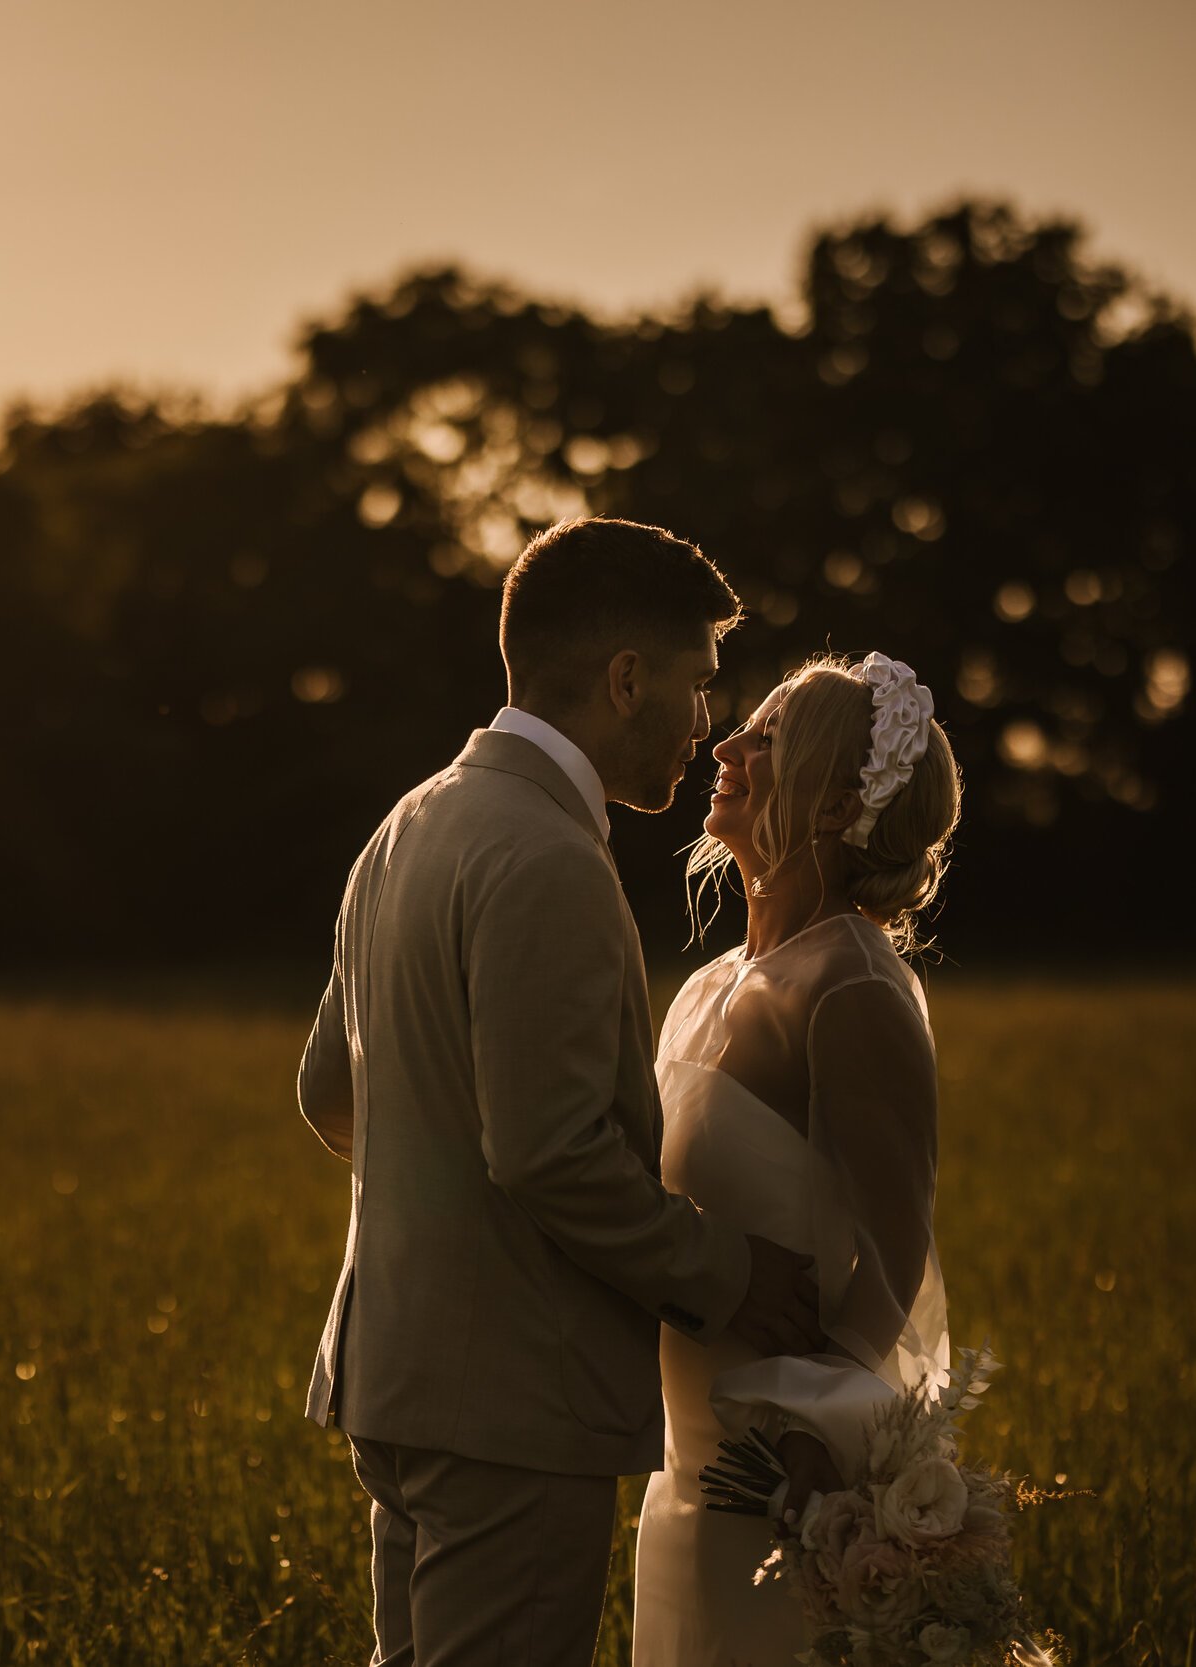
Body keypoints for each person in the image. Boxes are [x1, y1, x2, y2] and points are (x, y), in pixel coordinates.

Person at [296, 517, 824, 1667]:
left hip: (395, 1378)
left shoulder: (405, 825)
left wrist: (441, 1231)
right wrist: (730, 1273)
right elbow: (548, 1152)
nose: (706, 724)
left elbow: (330, 1088)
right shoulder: (546, 855)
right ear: (625, 678)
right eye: (695, 685)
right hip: (514, 1405)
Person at [629, 651, 962, 1665]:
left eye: (767, 738)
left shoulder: (852, 986)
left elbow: (896, 1254)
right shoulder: (707, 983)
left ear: (831, 809)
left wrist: (811, 1428)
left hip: (782, 1477)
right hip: (684, 1463)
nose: (726, 745)